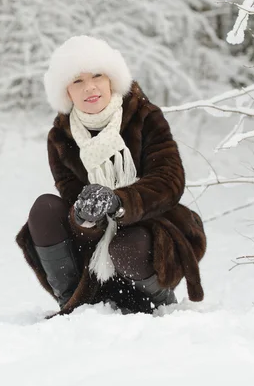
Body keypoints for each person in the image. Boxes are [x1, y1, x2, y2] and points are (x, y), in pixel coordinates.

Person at [15, 36, 207, 316]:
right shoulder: (60, 136)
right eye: (76, 81)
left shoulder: (144, 116)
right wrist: (84, 217)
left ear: (112, 80)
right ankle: (76, 304)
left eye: (97, 76)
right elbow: (71, 196)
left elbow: (169, 181)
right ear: (66, 91)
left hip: (149, 226)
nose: (89, 87)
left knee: (127, 243)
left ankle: (158, 301)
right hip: (94, 245)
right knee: (44, 208)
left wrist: (118, 201)